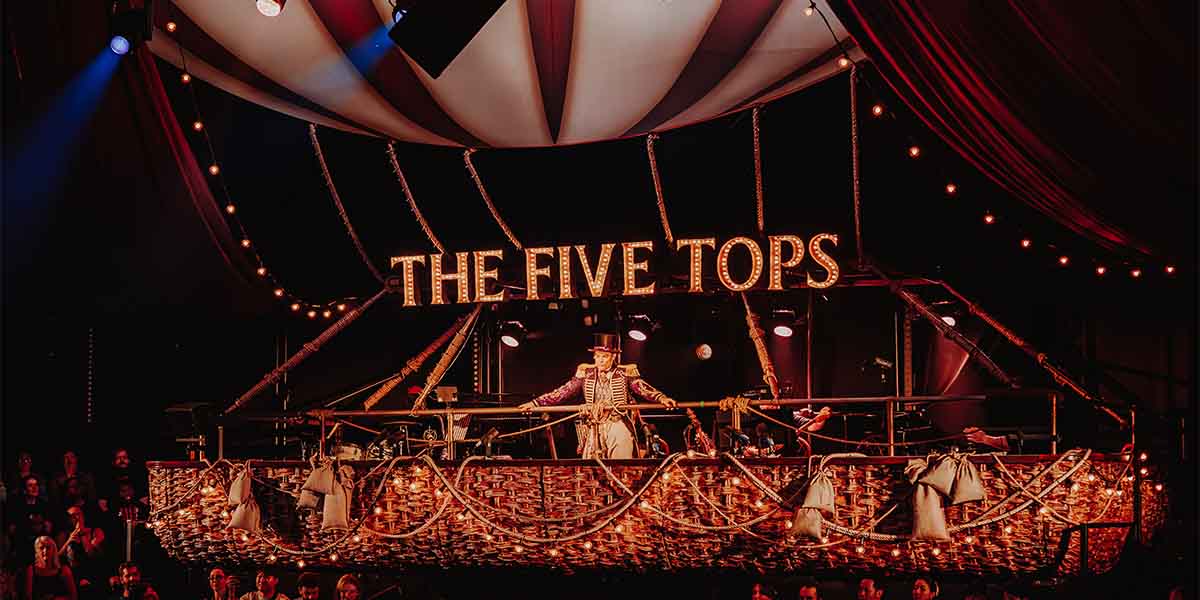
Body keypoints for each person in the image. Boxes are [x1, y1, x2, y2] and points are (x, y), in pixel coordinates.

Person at [519, 333, 676, 459]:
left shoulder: (624, 373)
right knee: (592, 464)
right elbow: (563, 392)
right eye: (597, 356)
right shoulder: (586, 373)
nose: (600, 360)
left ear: (613, 357)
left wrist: (661, 398)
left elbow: (642, 387)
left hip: (617, 423)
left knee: (622, 461)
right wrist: (535, 403)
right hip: (594, 425)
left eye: (604, 356)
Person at [57, 505, 105, 594]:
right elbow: (57, 557)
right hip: (72, 574)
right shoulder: (63, 535)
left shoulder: (95, 531)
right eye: (73, 516)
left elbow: (91, 554)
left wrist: (82, 534)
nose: (77, 518)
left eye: (78, 514)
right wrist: (69, 540)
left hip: (92, 571)